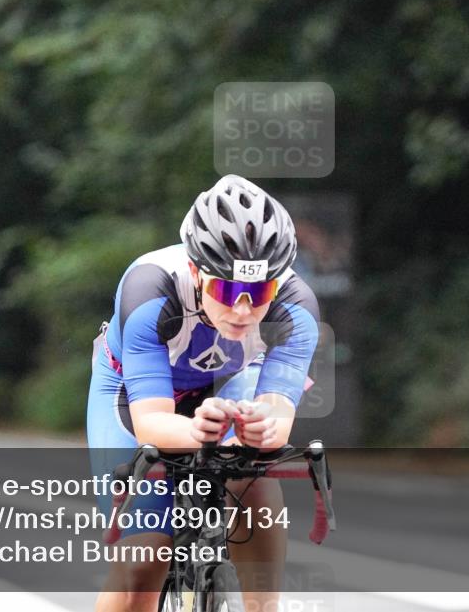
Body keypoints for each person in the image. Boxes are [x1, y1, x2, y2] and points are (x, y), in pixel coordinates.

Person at [88, 174, 320, 612]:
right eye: (228, 289)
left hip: (229, 383)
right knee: (142, 566)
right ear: (196, 272)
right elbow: (151, 422)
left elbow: (276, 419)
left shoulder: (297, 307)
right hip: (134, 392)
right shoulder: (149, 289)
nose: (243, 309)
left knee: (253, 472)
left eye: (258, 291)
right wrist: (199, 429)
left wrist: (255, 431)